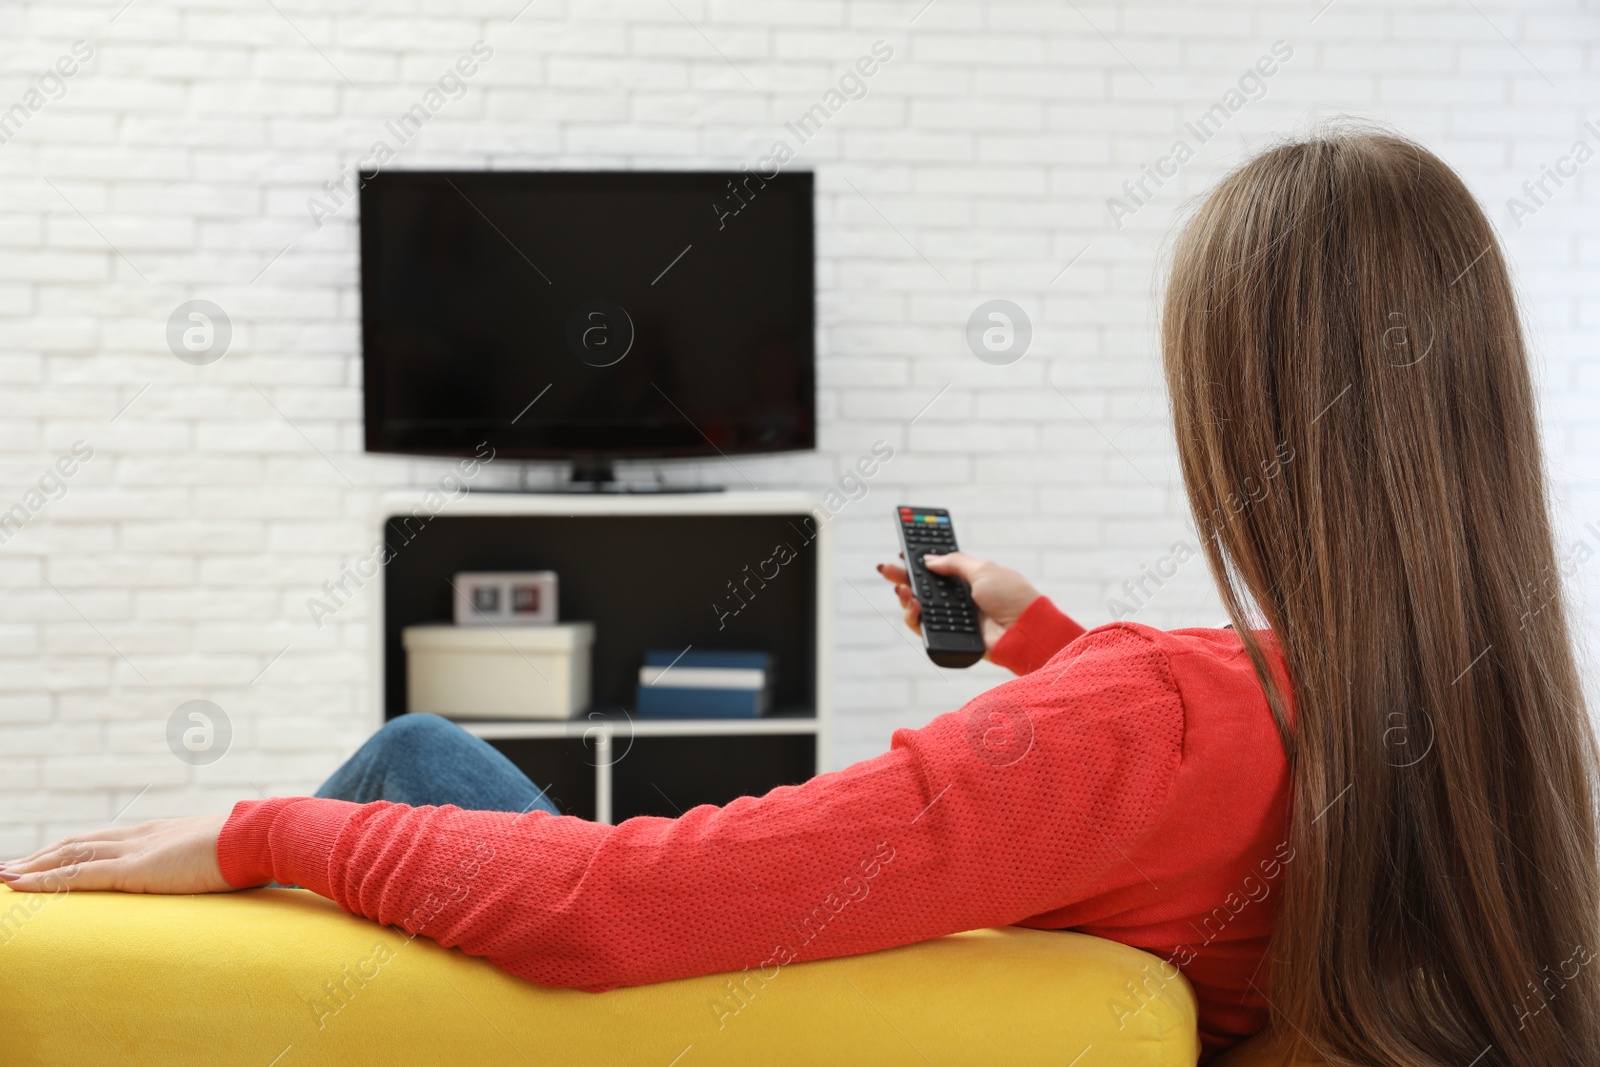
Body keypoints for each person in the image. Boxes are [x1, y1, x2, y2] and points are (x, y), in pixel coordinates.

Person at [6, 129, 1598, 1066]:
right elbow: (1222, 717)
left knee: (415, 754)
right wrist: (1037, 638)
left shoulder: (1156, 728)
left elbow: (622, 902)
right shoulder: (1486, 714)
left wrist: (251, 831)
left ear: (1238, 411)